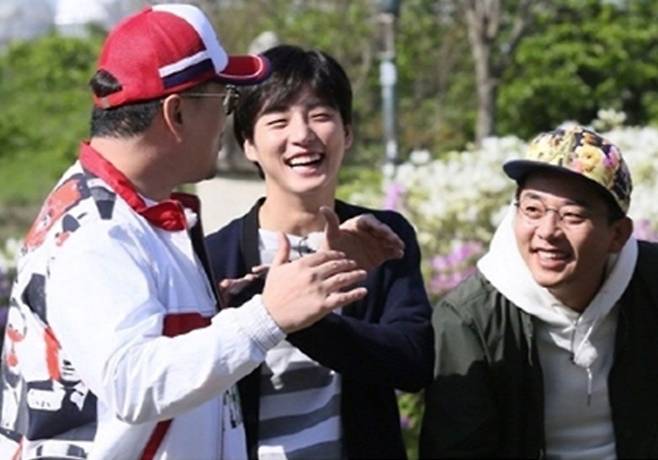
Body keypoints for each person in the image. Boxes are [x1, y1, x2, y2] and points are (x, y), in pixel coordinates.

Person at [0, 5, 374, 459]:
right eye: (225, 101)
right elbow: (134, 383)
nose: (227, 122)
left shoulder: (139, 215)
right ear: (176, 113)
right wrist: (267, 316)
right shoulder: (97, 232)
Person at [205, 44, 434, 460]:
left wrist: (301, 317)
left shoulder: (379, 238)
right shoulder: (216, 257)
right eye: (278, 120)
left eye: (320, 115)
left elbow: (412, 361)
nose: (302, 135)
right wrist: (272, 308)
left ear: (347, 133)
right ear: (248, 144)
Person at [419, 125, 658, 459]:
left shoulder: (649, 281)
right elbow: (459, 447)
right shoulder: (470, 317)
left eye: (572, 215)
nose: (547, 232)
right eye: (532, 210)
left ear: (617, 234)